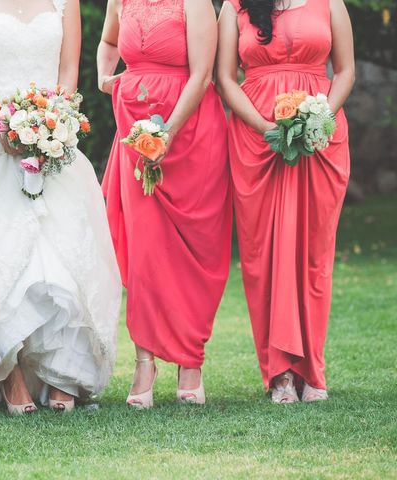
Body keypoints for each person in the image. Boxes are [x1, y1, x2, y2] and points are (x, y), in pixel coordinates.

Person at [0, 0, 122, 415]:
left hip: (52, 137)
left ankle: (61, 373)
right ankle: (10, 375)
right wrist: (5, 125)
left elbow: (68, 70)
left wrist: (55, 120)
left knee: (58, 255)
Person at [216, 0, 354, 402]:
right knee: (263, 257)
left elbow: (345, 71)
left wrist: (320, 118)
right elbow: (225, 78)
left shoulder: (330, 3)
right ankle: (279, 374)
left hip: (319, 138)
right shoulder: (234, 6)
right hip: (257, 140)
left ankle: (312, 370)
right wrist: (267, 129)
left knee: (314, 254)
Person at [98, 0, 232, 408]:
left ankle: (190, 361)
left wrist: (168, 132)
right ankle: (144, 362)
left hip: (190, 134)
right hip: (135, 132)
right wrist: (107, 78)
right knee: (145, 252)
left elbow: (203, 74)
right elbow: (107, 42)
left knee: (196, 250)